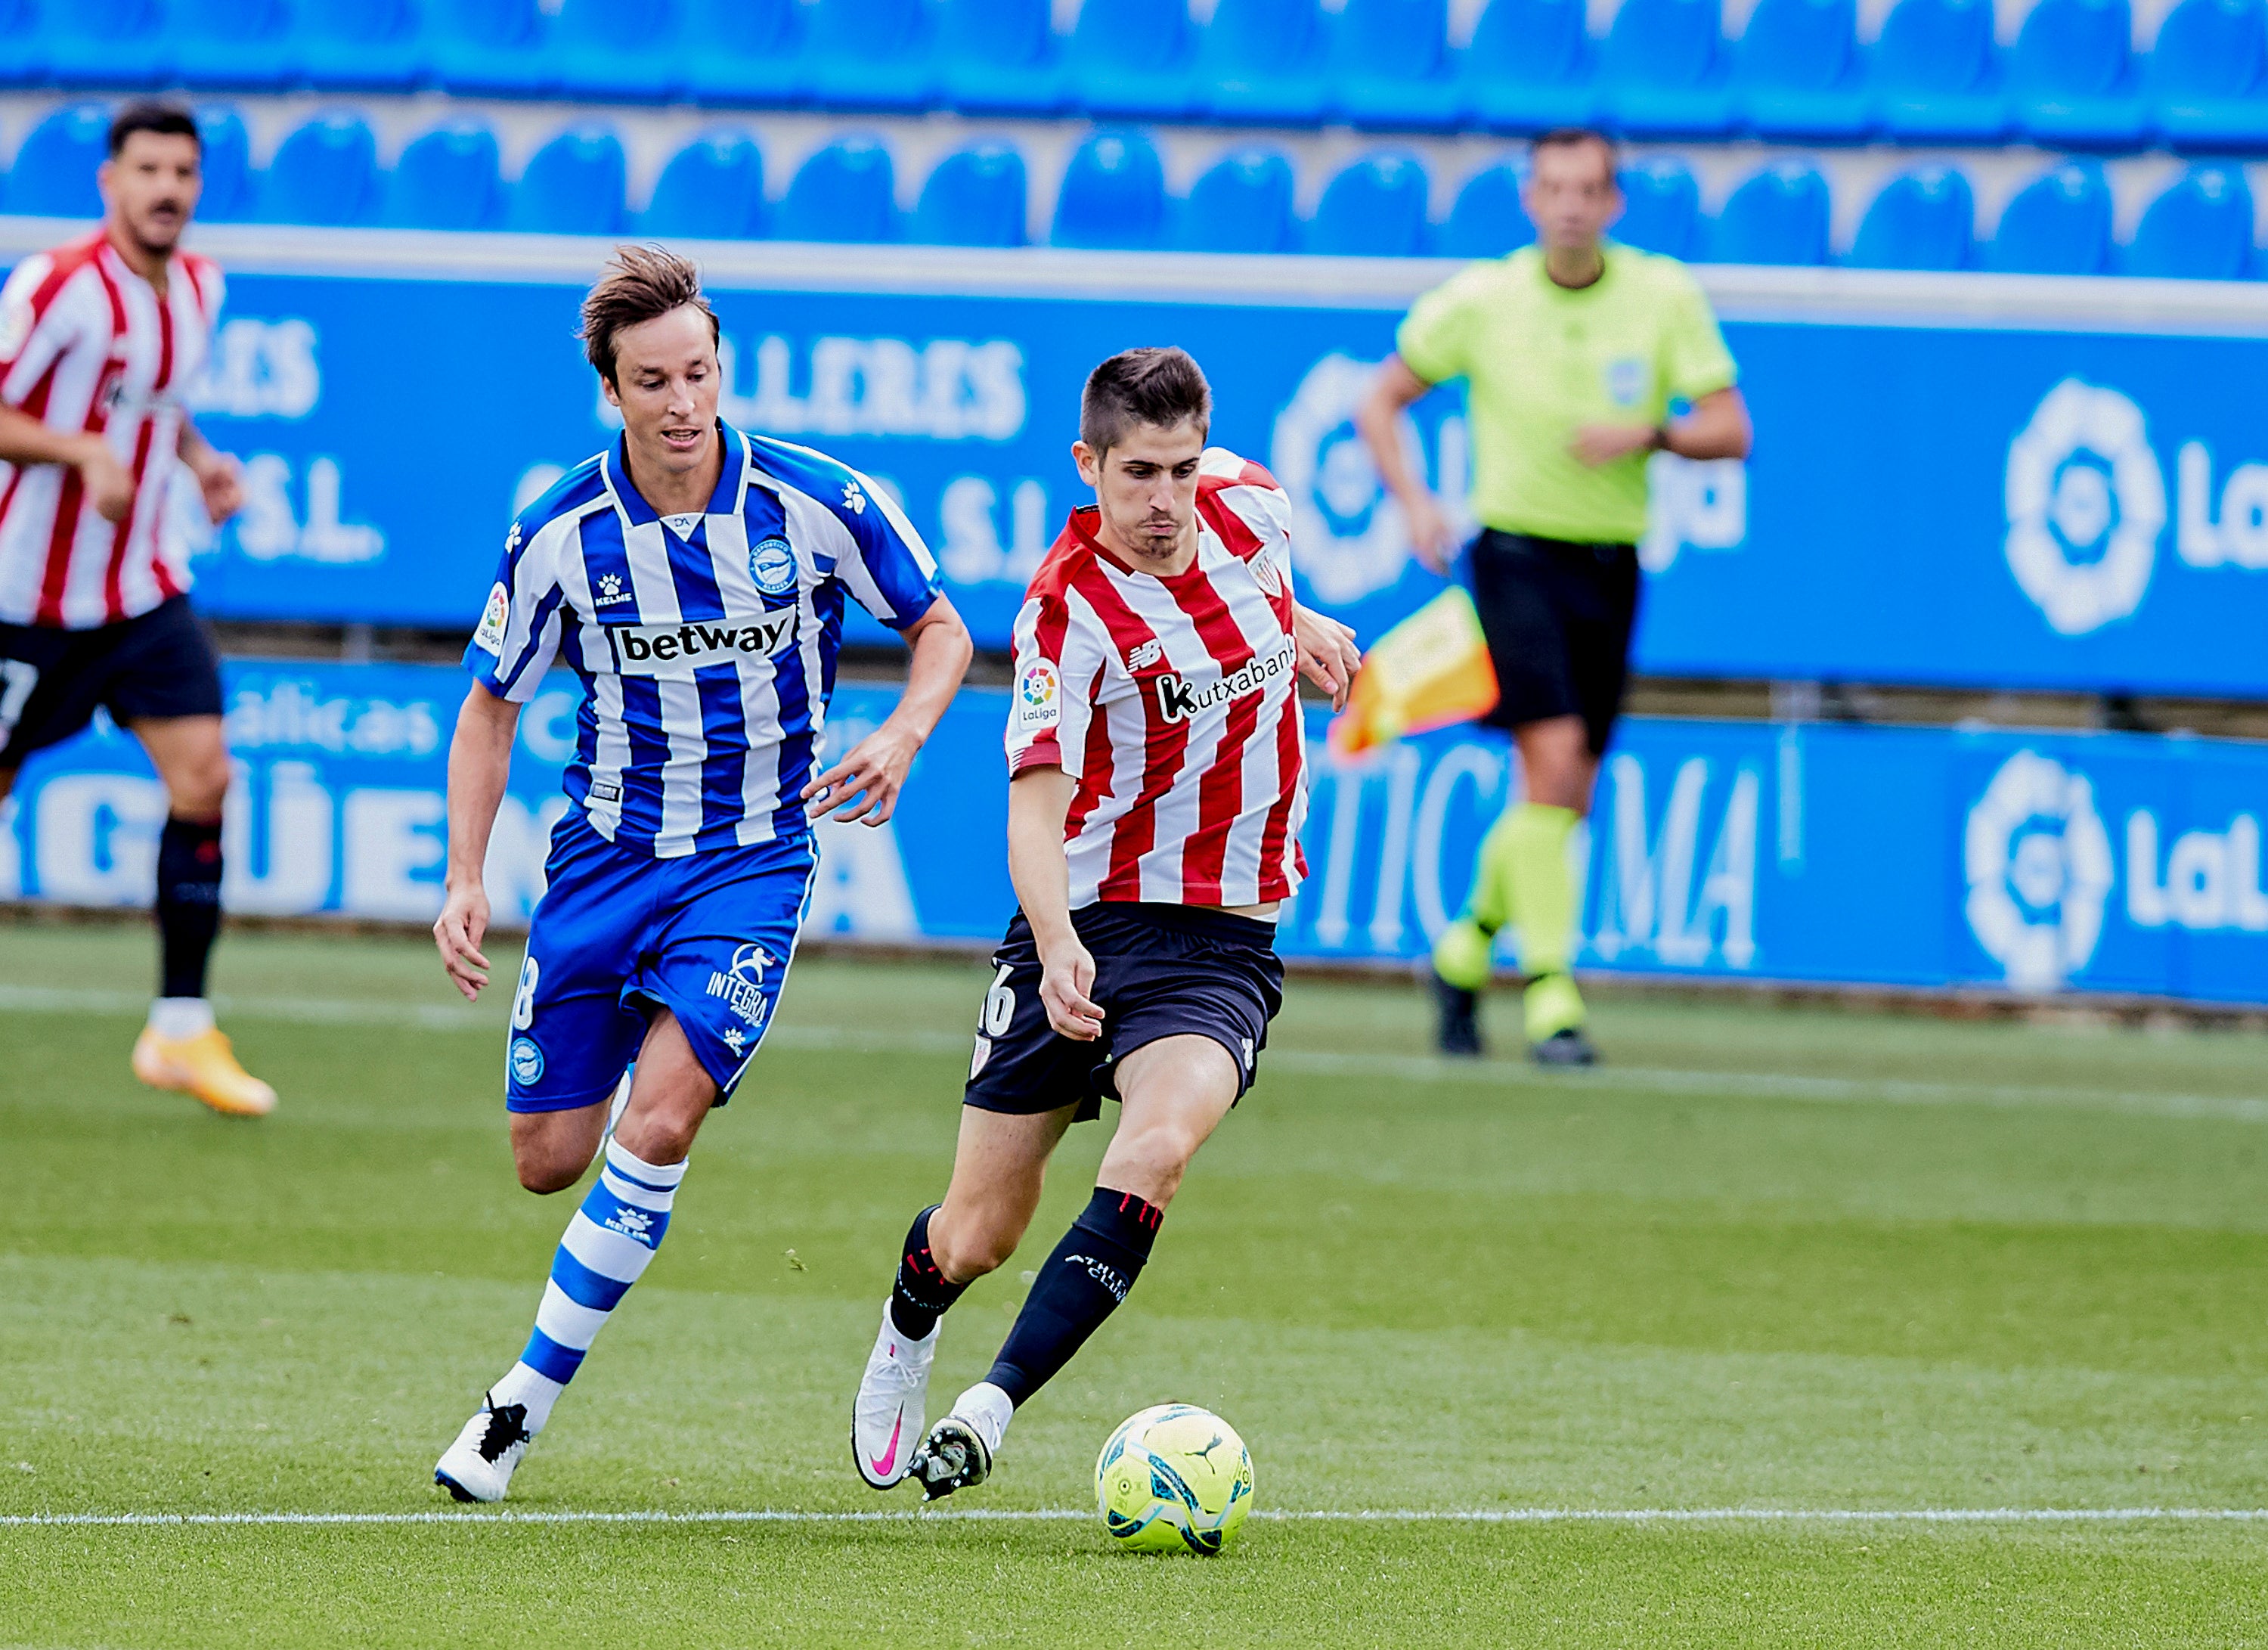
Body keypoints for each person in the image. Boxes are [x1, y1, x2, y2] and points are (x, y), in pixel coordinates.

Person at [428, 247, 972, 1503]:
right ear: (611, 393)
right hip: (603, 864)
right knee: (548, 1157)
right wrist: (467, 876)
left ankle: (517, 1407)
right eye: (653, 381)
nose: (682, 401)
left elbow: (938, 624)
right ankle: (627, 1120)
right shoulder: (563, 532)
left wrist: (899, 733)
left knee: (660, 1120)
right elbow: (488, 707)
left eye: (699, 373)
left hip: (754, 860)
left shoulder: (814, 499)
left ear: (722, 369)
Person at [850, 347, 1362, 1502]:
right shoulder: (1063, 612)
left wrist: (1304, 619)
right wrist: (1059, 940)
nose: (1166, 501)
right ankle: (911, 1317)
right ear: (1088, 465)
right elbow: (1031, 813)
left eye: (1182, 470)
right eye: (1138, 475)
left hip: (1220, 942)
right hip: (1076, 925)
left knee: (1158, 1146)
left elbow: (1252, 588)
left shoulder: (1256, 506)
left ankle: (992, 1405)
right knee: (978, 1230)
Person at [1356, 126, 1752, 1067]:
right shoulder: (1484, 301)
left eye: (1589, 189)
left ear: (1614, 204)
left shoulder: (1663, 296)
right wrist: (1416, 504)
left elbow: (1731, 428)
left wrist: (1652, 434)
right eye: (1554, 188)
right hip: (1514, 554)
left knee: (1567, 793)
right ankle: (1552, 997)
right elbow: (1380, 399)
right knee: (1557, 753)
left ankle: (1460, 953)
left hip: (1610, 564)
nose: (1572, 204)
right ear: (1530, 200)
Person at [0, 102, 265, 1115]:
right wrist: (78, 454)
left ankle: (181, 1030)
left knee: (205, 779)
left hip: (140, 589)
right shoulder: (57, 287)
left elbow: (155, 398)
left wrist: (198, 463)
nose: (166, 189)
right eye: (147, 169)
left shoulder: (198, 285)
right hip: (22, 598)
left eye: (183, 173)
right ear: (108, 181)